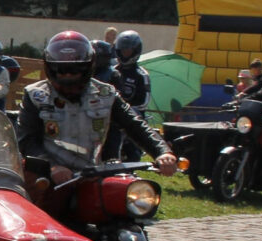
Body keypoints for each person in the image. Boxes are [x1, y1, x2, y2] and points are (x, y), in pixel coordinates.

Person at [17, 31, 176, 215]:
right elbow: (27, 140)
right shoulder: (36, 95)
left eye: (75, 69)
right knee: (45, 223)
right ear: (50, 67)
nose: (68, 75)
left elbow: (134, 124)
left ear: (88, 67)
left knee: (123, 213)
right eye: (61, 69)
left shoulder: (106, 94)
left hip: (93, 174)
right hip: (47, 176)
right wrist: (52, 166)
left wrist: (162, 152)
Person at [109, 30, 152, 161]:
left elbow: (144, 101)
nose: (125, 54)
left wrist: (127, 110)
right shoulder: (113, 72)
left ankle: (133, 161)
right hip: (113, 114)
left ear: (135, 51)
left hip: (134, 115)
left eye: (128, 51)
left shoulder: (141, 75)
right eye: (122, 51)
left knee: (134, 143)